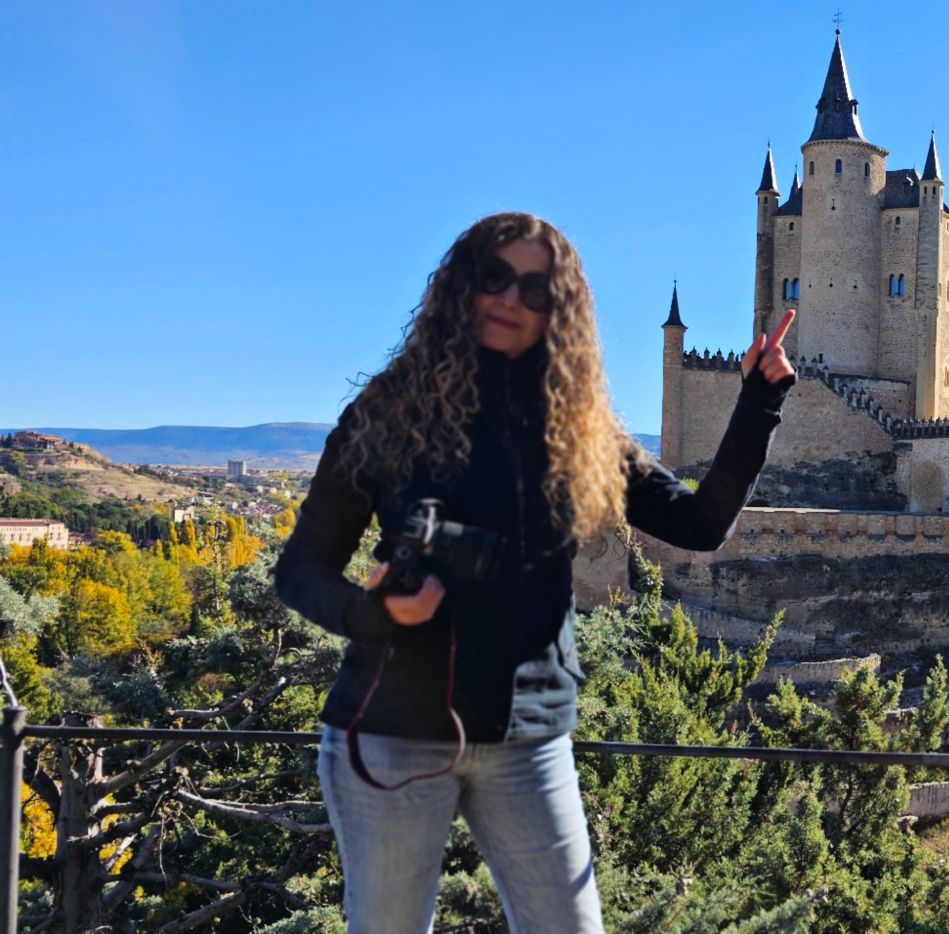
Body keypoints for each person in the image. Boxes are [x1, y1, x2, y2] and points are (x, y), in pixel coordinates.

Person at [274, 212, 795, 932]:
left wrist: (759, 401)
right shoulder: (388, 415)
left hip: (529, 738)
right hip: (393, 730)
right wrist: (372, 613)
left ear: (560, 312)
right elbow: (302, 570)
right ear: (461, 285)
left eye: (536, 289)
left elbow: (701, 524)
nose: (510, 298)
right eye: (494, 277)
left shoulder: (578, 430)